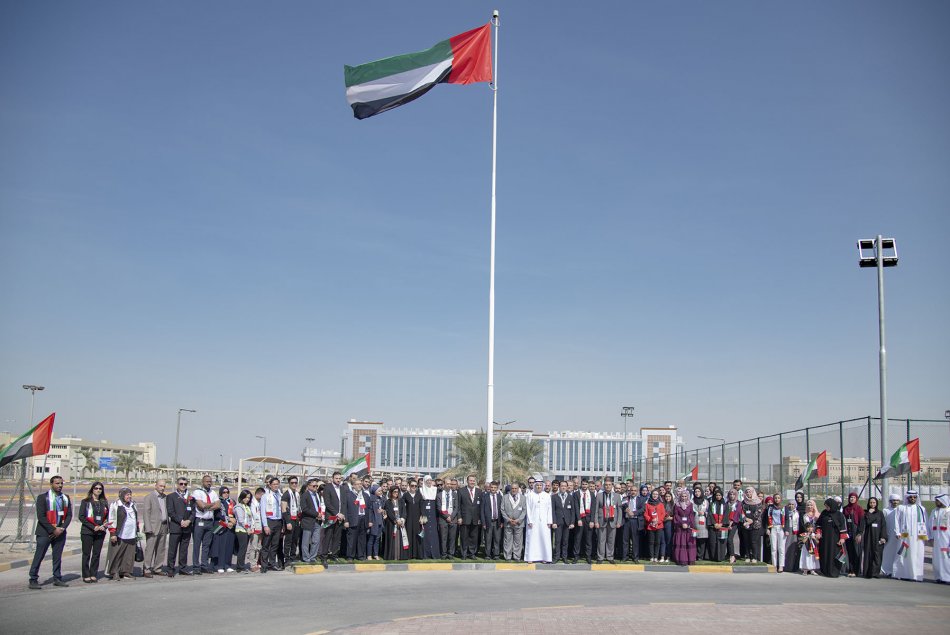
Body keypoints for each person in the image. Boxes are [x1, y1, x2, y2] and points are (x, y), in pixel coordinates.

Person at [29, 475, 73, 589]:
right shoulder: (43, 497)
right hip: (45, 532)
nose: (60, 485)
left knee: (57, 556)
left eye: (61, 483)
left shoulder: (65, 498)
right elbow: (41, 516)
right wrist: (53, 529)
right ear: (51, 484)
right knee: (39, 556)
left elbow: (69, 515)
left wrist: (62, 528)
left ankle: (57, 578)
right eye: (57, 483)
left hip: (60, 533)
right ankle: (33, 579)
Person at [892, 490, 929, 582]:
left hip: (918, 538)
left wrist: (926, 535)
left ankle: (915, 575)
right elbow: (896, 521)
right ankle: (902, 574)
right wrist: (897, 532)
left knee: (916, 555)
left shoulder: (921, 509)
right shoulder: (901, 508)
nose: (913, 499)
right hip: (905, 536)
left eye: (914, 497)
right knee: (904, 554)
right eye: (911, 497)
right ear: (907, 498)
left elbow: (926, 523)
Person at [191, 474, 221, 574]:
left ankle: (204, 565)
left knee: (206, 545)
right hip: (200, 521)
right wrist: (212, 504)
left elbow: (218, 505)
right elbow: (201, 505)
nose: (209, 483)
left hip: (209, 522)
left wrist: (207, 506)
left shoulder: (213, 492)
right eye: (207, 481)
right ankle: (196, 566)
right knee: (196, 545)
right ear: (202, 482)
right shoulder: (197, 492)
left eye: (210, 481)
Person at [138, 480, 168, 578]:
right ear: (155, 486)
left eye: (164, 486)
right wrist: (148, 528)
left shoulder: (165, 497)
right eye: (160, 486)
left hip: (163, 526)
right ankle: (146, 569)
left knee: (161, 549)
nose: (162, 488)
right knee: (150, 549)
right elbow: (146, 514)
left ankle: (157, 568)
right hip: (153, 527)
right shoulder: (149, 497)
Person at [79, 481, 108, 583]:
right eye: (96, 488)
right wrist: (93, 527)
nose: (98, 490)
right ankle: (86, 574)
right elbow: (81, 517)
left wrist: (104, 525)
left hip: (100, 532)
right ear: (92, 489)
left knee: (96, 554)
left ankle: (93, 573)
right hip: (88, 531)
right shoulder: (85, 502)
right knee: (86, 554)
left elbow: (107, 516)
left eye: (100, 488)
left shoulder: (104, 502)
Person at [107, 487, 139, 580]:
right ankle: (115, 572)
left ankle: (126, 571)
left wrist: (137, 530)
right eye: (127, 495)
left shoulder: (133, 504)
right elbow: (111, 519)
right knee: (117, 554)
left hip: (131, 534)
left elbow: (135, 518)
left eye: (130, 494)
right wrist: (113, 534)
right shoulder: (116, 505)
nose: (129, 496)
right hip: (120, 534)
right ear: (121, 495)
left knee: (129, 555)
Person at [166, 477, 194, 576]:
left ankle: (183, 568)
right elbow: (170, 512)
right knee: (172, 550)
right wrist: (181, 521)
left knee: (184, 550)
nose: (183, 486)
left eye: (185, 484)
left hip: (187, 527)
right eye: (181, 484)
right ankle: (170, 568)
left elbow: (194, 512)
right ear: (177, 485)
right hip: (176, 527)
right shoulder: (171, 496)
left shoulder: (190, 497)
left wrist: (189, 521)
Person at [319, 471, 346, 566]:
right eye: (336, 478)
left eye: (339, 478)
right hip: (331, 516)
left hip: (340, 517)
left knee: (337, 537)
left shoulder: (342, 488)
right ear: (333, 478)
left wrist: (342, 515)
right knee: (328, 536)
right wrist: (337, 513)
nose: (338, 480)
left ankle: (334, 555)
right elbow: (327, 503)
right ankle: (324, 556)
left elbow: (344, 503)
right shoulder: (328, 488)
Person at [817, 497, 847, 578]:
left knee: (835, 554)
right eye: (825, 506)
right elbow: (818, 525)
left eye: (827, 506)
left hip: (836, 539)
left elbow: (843, 528)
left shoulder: (839, 515)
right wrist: (818, 533)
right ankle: (825, 571)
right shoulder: (824, 513)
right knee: (825, 553)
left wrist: (842, 538)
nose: (826, 508)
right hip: (825, 539)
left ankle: (834, 571)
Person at [259, 476, 284, 572]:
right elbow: (262, 512)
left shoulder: (280, 495)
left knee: (275, 544)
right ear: (270, 485)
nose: (276, 486)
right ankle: (264, 565)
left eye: (277, 484)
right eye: (274, 484)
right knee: (266, 545)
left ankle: (272, 563)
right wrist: (265, 525)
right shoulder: (265, 496)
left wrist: (283, 524)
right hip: (269, 521)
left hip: (278, 521)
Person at [524, 480, 552, 563]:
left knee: (544, 538)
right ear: (535, 486)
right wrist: (529, 520)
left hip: (544, 522)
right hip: (533, 521)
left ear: (542, 486)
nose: (539, 486)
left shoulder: (547, 496)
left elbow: (549, 509)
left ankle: (544, 557)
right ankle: (531, 558)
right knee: (532, 538)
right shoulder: (530, 495)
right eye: (537, 485)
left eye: (540, 485)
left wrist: (549, 521)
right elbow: (528, 508)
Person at [858, 496, 886, 579]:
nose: (872, 504)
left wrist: (883, 537)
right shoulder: (865, 513)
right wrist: (869, 513)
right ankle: (867, 573)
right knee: (868, 554)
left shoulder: (880, 513)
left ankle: (875, 572)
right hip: (868, 536)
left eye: (874, 502)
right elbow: (866, 522)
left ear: (876, 503)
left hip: (877, 536)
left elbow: (883, 525)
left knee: (877, 555)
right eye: (871, 503)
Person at [299, 479, 324, 564]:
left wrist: (320, 514)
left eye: (316, 486)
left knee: (316, 540)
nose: (315, 487)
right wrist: (316, 514)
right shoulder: (305, 495)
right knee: (306, 541)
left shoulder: (316, 495)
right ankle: (306, 558)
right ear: (308, 486)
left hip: (317, 521)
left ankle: (313, 557)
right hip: (308, 521)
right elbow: (304, 509)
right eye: (314, 486)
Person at [343, 479, 370, 561]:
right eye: (357, 484)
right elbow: (345, 509)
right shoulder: (348, 495)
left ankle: (360, 555)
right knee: (352, 539)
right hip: (353, 519)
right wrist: (346, 520)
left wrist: (369, 521)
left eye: (360, 484)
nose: (359, 485)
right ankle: (350, 556)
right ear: (353, 486)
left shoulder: (365, 495)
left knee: (362, 538)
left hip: (363, 518)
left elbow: (369, 509)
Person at [550, 480, 575, 563]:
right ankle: (556, 556)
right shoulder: (554, 497)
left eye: (565, 486)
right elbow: (552, 510)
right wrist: (553, 522)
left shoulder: (570, 497)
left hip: (567, 523)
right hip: (558, 522)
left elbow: (573, 511)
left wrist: (572, 522)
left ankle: (564, 557)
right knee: (557, 541)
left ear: (567, 487)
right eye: (562, 486)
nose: (563, 487)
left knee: (565, 541)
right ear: (559, 487)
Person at [458, 474, 482, 560]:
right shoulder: (461, 491)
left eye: (473, 480)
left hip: (475, 519)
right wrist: (459, 517)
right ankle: (464, 553)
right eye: (470, 480)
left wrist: (479, 518)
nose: (472, 482)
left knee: (474, 537)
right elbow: (458, 505)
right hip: (464, 518)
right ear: (467, 481)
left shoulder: (479, 491)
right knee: (464, 537)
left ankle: (472, 553)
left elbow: (481, 506)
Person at [213, 486, 236, 573]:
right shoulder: (218, 501)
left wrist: (233, 521)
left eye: (227, 492)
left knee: (229, 546)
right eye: (224, 492)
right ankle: (219, 565)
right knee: (219, 546)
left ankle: (227, 564)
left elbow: (235, 514)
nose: (226, 494)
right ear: (220, 493)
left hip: (230, 526)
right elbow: (217, 514)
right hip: (219, 526)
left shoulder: (232, 502)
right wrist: (228, 521)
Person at [501, 481, 526, 561]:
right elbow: (502, 510)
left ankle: (516, 556)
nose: (514, 490)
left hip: (519, 523)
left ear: (518, 489)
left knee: (518, 541)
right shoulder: (505, 497)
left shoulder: (523, 498)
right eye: (512, 488)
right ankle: (507, 556)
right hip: (508, 523)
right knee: (507, 540)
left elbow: (524, 510)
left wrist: (519, 520)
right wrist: (508, 520)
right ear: (510, 489)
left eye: (516, 488)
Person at [382, 486, 409, 560]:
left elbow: (404, 511)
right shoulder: (388, 502)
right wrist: (396, 520)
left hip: (401, 523)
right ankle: (392, 556)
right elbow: (389, 512)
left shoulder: (401, 501)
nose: (396, 493)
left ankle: (400, 556)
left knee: (400, 539)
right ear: (391, 492)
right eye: (394, 492)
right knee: (392, 540)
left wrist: (402, 519)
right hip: (391, 524)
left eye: (397, 492)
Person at [842, 491, 864, 577]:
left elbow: (861, 523)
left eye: (854, 498)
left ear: (856, 499)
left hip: (856, 532)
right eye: (851, 497)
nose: (852, 499)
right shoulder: (845, 509)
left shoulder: (859, 509)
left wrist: (859, 533)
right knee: (849, 552)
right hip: (848, 532)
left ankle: (856, 570)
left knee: (856, 552)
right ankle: (850, 570)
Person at [672, 487, 696, 565]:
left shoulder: (690, 504)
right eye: (682, 496)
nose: (684, 498)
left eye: (685, 496)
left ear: (688, 496)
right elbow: (676, 515)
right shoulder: (677, 505)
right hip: (680, 527)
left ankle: (690, 559)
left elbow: (691, 515)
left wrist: (688, 524)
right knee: (681, 542)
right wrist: (682, 523)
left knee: (689, 543)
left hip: (688, 527)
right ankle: (681, 559)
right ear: (680, 496)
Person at [480, 480, 504, 560]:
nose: (493, 489)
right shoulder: (485, 497)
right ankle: (487, 554)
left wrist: (502, 522)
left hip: (497, 521)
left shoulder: (500, 497)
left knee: (497, 539)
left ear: (497, 489)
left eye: (495, 488)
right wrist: (483, 523)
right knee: (488, 539)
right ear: (489, 488)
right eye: (492, 487)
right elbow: (482, 511)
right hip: (488, 521)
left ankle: (496, 555)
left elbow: (502, 510)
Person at [573, 479, 595, 564]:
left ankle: (588, 556)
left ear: (588, 485)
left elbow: (593, 508)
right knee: (578, 539)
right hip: (580, 519)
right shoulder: (576, 494)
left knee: (588, 539)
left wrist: (592, 520)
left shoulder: (592, 494)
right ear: (581, 485)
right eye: (583, 484)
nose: (584, 486)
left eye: (586, 484)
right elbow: (576, 507)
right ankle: (576, 556)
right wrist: (578, 519)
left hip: (589, 519)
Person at [437, 478, 459, 558]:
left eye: (450, 484)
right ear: (444, 484)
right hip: (443, 519)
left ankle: (451, 554)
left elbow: (456, 507)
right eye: (447, 483)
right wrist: (446, 516)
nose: (449, 485)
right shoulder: (439, 495)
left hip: (453, 519)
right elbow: (439, 508)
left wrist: (451, 516)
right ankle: (444, 553)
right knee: (443, 538)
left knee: (452, 538)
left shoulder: (454, 494)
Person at [929, 494, 950, 584]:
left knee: (946, 558)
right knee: (937, 559)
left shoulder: (949, 511)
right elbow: (930, 525)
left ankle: (947, 577)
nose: (936, 503)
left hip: (947, 540)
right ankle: (938, 577)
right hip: (937, 540)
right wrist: (930, 537)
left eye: (937, 501)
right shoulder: (934, 511)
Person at [281, 476, 301, 565]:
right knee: (288, 540)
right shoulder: (286, 494)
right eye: (292, 483)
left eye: (295, 483)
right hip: (290, 519)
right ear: (289, 483)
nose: (294, 484)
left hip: (296, 519)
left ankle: (293, 556)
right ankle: (286, 558)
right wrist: (288, 522)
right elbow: (283, 509)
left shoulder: (297, 494)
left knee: (295, 539)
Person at [740, 487, 763, 562]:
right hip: (746, 523)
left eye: (750, 492)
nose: (748, 494)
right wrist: (746, 519)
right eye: (747, 492)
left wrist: (751, 521)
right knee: (746, 541)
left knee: (753, 541)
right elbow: (741, 511)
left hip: (755, 524)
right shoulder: (743, 502)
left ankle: (754, 557)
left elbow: (758, 513)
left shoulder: (758, 502)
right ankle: (747, 556)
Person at [880, 493, 902, 577]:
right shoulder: (886, 511)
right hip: (889, 535)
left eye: (897, 500)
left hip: (899, 536)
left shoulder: (901, 510)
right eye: (894, 500)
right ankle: (887, 570)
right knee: (888, 553)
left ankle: (897, 571)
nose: (895, 502)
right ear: (890, 501)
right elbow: (883, 524)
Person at [764, 494, 786, 572]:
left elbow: (786, 519)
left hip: (781, 528)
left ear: (781, 499)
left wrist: (786, 530)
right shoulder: (770, 508)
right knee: (773, 548)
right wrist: (767, 528)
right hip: (773, 527)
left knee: (781, 548)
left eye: (778, 498)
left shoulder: (783, 508)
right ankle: (774, 565)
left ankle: (781, 566)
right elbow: (766, 519)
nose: (777, 499)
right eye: (775, 498)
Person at [401, 479, 423, 559]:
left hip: (417, 519)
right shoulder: (405, 495)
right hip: (408, 519)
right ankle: (409, 554)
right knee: (409, 535)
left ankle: (417, 554)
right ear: (409, 486)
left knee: (417, 535)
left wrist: (422, 517)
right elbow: (402, 508)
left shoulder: (419, 495)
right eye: (412, 485)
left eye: (415, 486)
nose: (413, 487)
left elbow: (422, 508)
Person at [234, 489, 254, 572]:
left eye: (249, 498)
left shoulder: (247, 507)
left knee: (244, 548)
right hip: (241, 530)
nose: (247, 499)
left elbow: (249, 518)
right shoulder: (239, 507)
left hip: (247, 530)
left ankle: (241, 565)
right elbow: (241, 520)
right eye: (245, 497)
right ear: (242, 497)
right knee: (242, 548)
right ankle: (240, 566)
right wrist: (247, 529)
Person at [644, 488, 666, 562]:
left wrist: (658, 521)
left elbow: (663, 514)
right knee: (651, 542)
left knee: (657, 542)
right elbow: (646, 514)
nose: (655, 495)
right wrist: (651, 520)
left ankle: (656, 557)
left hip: (659, 526)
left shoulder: (661, 504)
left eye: (656, 494)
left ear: (658, 495)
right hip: (650, 526)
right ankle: (651, 557)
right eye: (653, 494)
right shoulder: (647, 504)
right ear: (651, 495)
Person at [706, 489, 727, 563]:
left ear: (722, 496)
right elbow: (710, 514)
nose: (718, 497)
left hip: (722, 527)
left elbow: (726, 515)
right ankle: (713, 557)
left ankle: (721, 557)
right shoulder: (712, 504)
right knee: (712, 542)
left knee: (721, 542)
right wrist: (714, 523)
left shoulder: (725, 505)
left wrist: (721, 524)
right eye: (717, 495)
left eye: (719, 495)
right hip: (713, 526)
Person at [692, 485, 709, 561]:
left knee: (702, 540)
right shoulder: (691, 501)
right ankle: (694, 555)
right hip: (694, 522)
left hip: (703, 523)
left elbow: (709, 512)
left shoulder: (706, 502)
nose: (697, 493)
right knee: (695, 539)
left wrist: (704, 513)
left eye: (698, 491)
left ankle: (701, 556)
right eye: (696, 491)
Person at [249, 487, 264, 571]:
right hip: (254, 527)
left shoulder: (260, 502)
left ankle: (256, 562)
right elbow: (254, 515)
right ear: (258, 494)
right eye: (262, 495)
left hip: (261, 527)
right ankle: (252, 564)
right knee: (253, 547)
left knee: (259, 547)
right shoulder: (252, 503)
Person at [367, 484, 383, 560]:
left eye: (381, 490)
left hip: (380, 521)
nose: (380, 492)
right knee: (371, 538)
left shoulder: (380, 499)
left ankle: (375, 554)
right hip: (374, 521)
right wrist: (370, 521)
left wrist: (383, 511)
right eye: (379, 491)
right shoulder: (371, 499)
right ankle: (369, 554)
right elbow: (369, 511)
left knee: (377, 539)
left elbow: (382, 509)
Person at [661, 491, 675, 563]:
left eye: (669, 496)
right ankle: (662, 556)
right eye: (666, 496)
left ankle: (668, 556)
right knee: (663, 541)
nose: (667, 498)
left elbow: (676, 515)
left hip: (670, 524)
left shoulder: (674, 505)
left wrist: (671, 518)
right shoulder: (662, 504)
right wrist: (664, 518)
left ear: (671, 497)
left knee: (669, 541)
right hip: (662, 523)